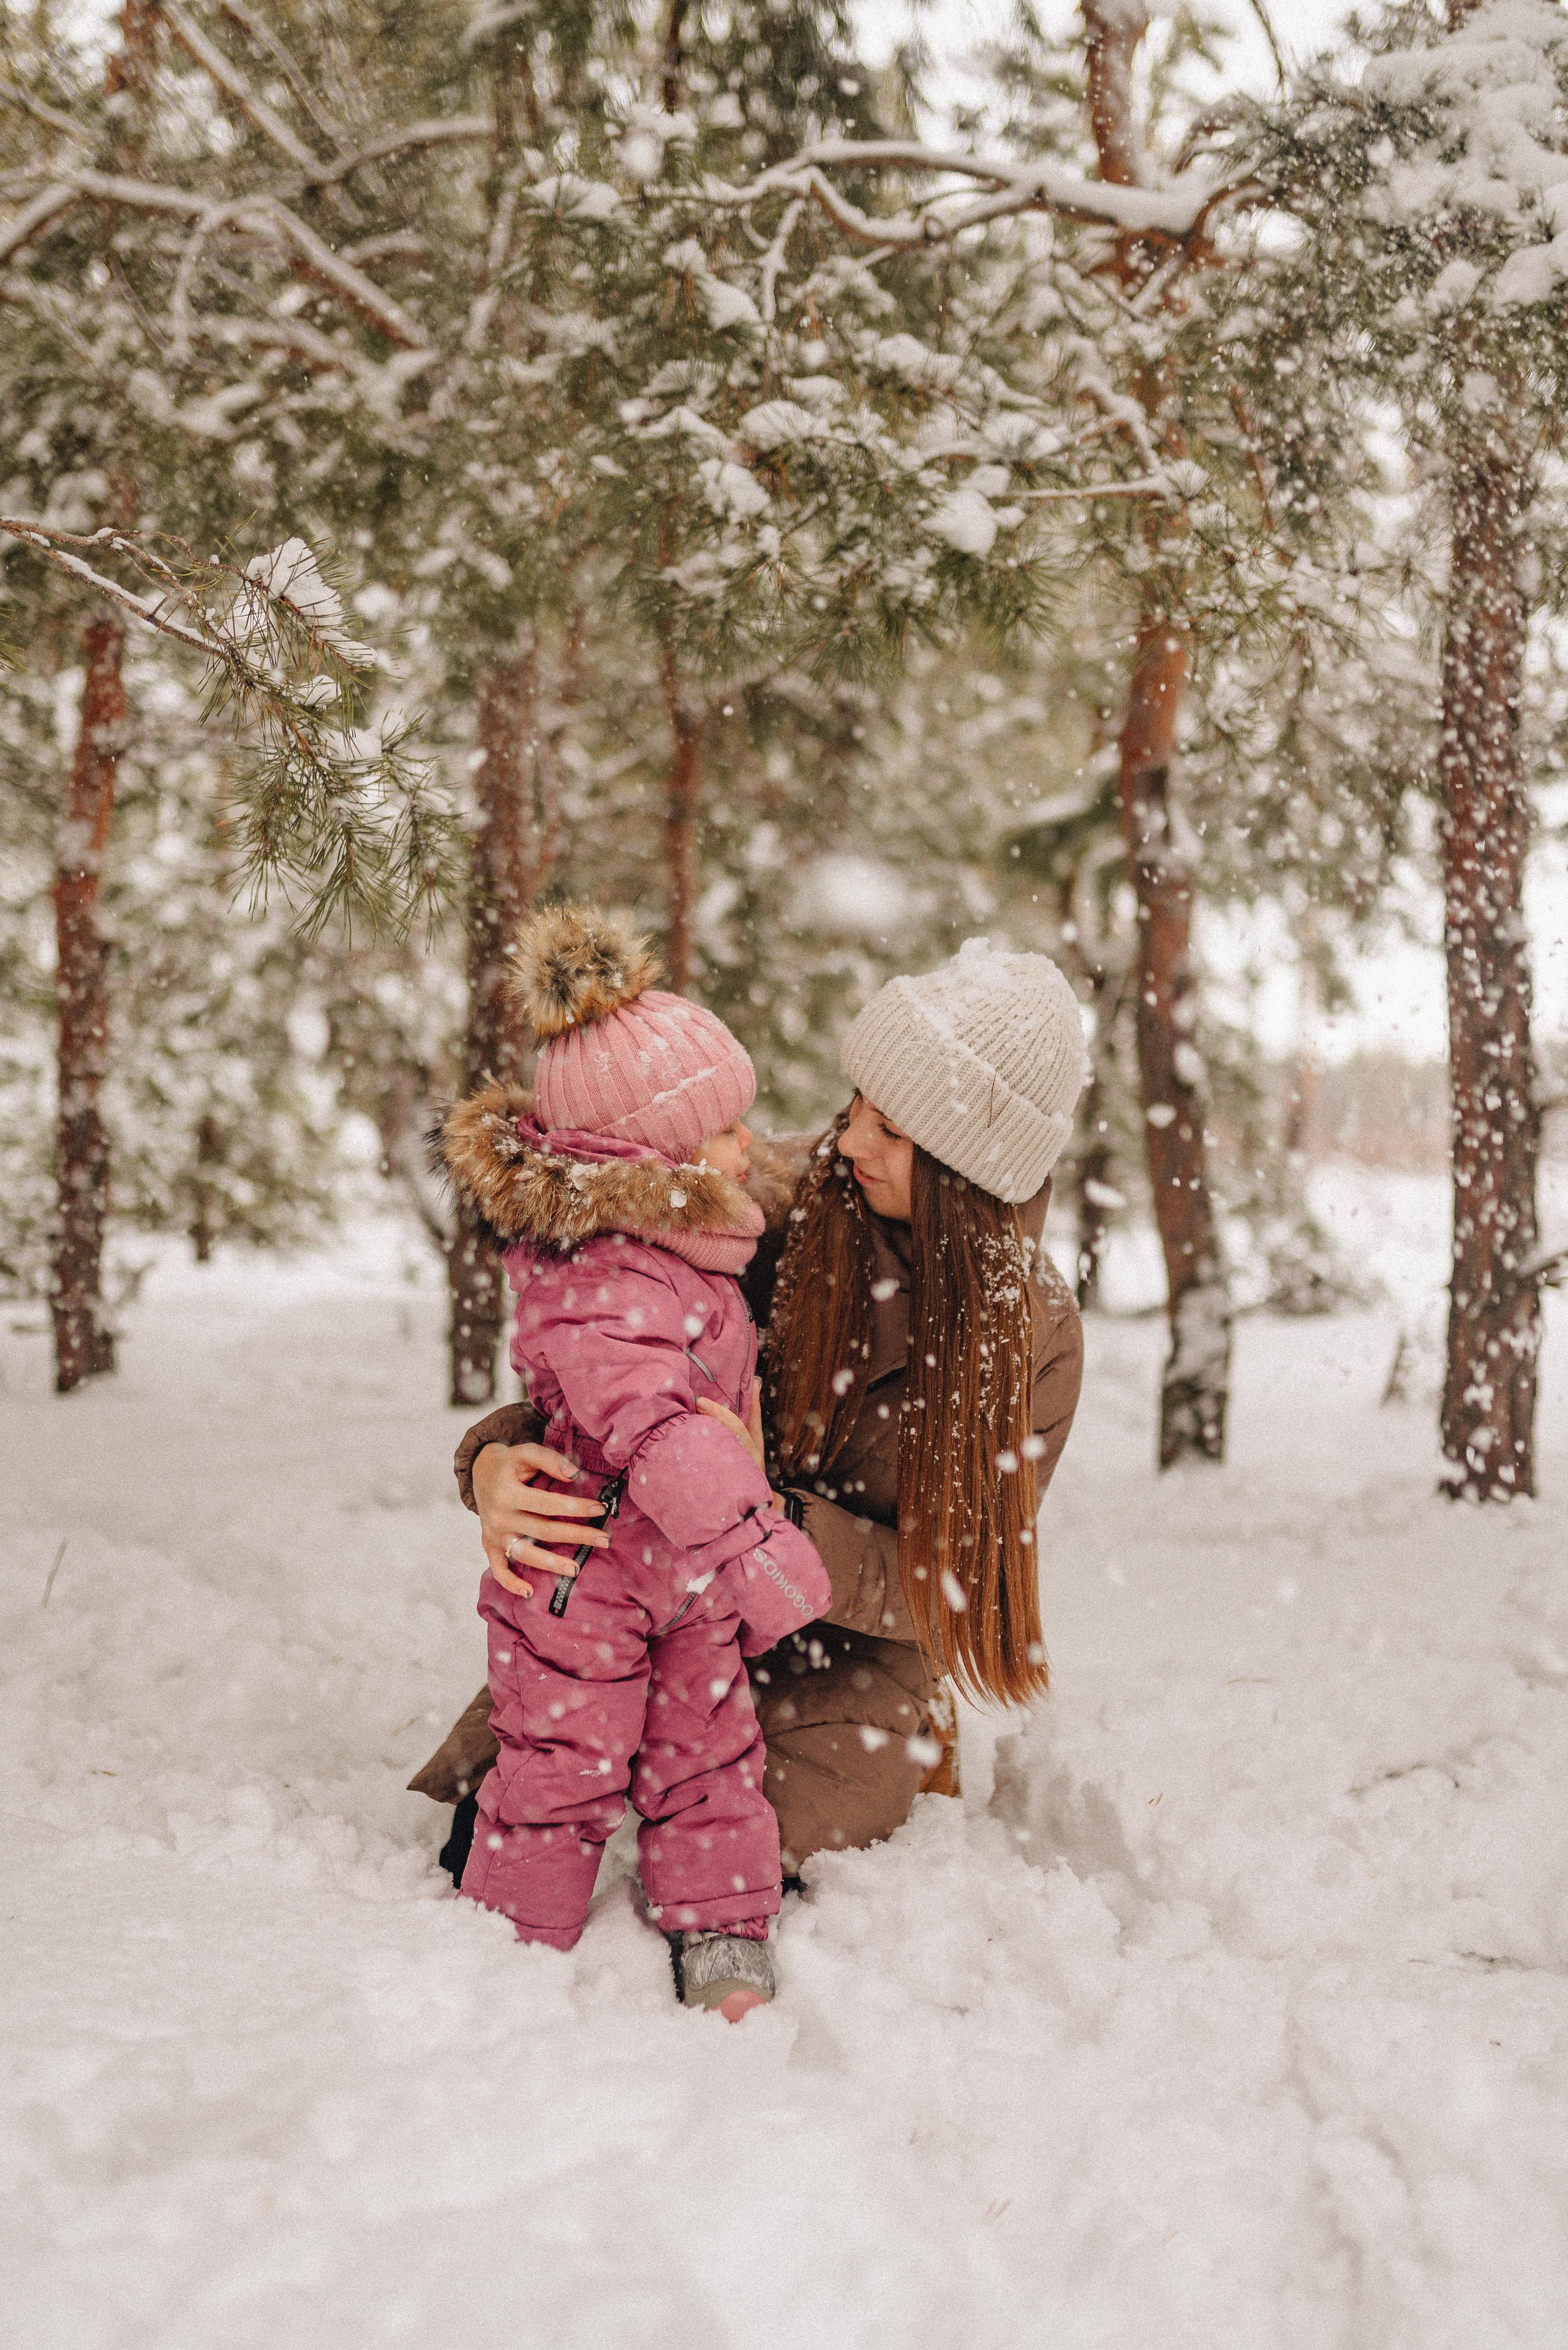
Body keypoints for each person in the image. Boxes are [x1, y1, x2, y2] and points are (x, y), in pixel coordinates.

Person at [413, 935, 1086, 1894]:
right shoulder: (758, 1200)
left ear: (964, 1169)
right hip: (657, 1593)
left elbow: (954, 1590)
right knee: (530, 1792)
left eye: (890, 1131)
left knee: (729, 1846)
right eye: (855, 1104)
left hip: (848, 1658)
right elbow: (606, 1359)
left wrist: (775, 1524)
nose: (847, 1139)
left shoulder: (1033, 1342)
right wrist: (497, 1459)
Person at [433, 904, 830, 2019]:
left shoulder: (692, 1251)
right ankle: (512, 1943)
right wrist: (757, 1543)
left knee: (709, 1753)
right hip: (587, 1577)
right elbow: (657, 1431)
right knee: (562, 1767)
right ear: (650, 1158)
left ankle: (723, 1930)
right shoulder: (601, 1283)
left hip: (683, 1578)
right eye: (724, 1132)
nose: (750, 1147)